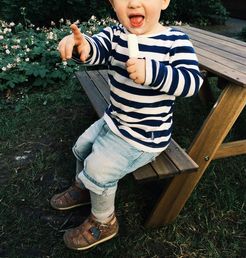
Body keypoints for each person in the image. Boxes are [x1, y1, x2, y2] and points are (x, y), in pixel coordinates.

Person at [50, 0, 203, 251]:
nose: (133, 2)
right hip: (115, 120)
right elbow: (94, 48)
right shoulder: (115, 34)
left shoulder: (175, 41)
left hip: (144, 137)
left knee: (99, 169)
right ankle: (83, 187)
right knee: (81, 148)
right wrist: (81, 46)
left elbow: (191, 82)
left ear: (164, 1)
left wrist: (153, 72)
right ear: (112, 3)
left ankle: (104, 220)